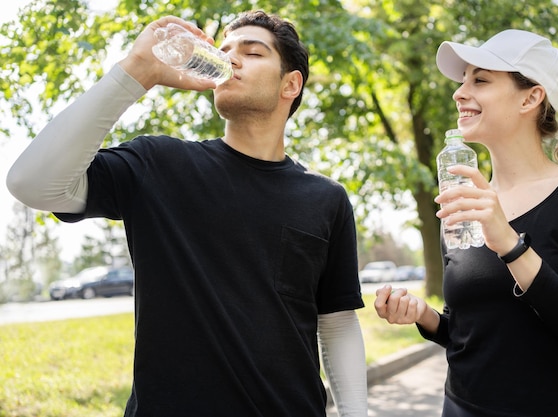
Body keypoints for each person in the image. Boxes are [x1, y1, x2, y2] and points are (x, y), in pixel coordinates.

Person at [7, 11, 368, 417]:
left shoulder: (326, 198)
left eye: (251, 52)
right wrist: (137, 72)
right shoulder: (159, 163)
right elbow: (32, 183)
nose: (230, 59)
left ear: (291, 84)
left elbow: (336, 323)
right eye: (223, 50)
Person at [374, 29, 558, 417]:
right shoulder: (464, 201)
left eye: (481, 79)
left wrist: (511, 244)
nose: (459, 92)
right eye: (462, 81)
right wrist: (423, 316)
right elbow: (471, 333)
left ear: (531, 96)